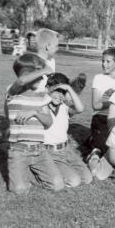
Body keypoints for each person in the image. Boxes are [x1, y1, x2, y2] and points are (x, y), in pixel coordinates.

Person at [5, 53, 64, 195]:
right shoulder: (12, 92)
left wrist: (35, 113)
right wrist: (45, 69)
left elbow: (49, 122)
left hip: (39, 151)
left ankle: (28, 172)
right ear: (26, 74)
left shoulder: (41, 96)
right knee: (19, 190)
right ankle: (21, 172)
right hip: (19, 151)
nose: (43, 77)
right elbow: (20, 82)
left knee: (58, 185)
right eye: (38, 74)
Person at [44, 73, 93, 187]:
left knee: (87, 178)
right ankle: (48, 173)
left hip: (66, 150)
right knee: (74, 181)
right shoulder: (43, 106)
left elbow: (80, 108)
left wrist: (69, 88)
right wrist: (49, 92)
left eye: (63, 92)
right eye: (57, 90)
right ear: (47, 89)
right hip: (51, 152)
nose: (60, 95)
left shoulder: (64, 108)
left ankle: (60, 171)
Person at [88, 48, 115, 153]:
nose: (104, 64)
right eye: (103, 61)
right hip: (101, 117)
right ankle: (93, 140)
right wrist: (113, 101)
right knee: (105, 150)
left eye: (108, 61)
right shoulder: (99, 78)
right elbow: (95, 105)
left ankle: (93, 139)